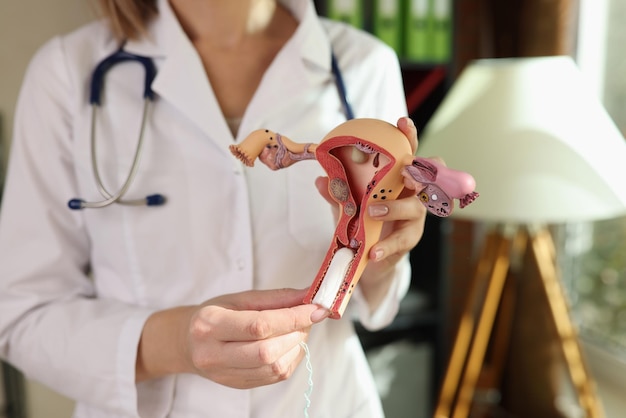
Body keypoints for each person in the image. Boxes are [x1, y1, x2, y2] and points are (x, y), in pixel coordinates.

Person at [0, 0, 427, 417]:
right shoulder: (67, 72)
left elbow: (377, 303)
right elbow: (22, 313)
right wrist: (178, 343)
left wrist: (382, 252)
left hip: (326, 401)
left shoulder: (364, 64)